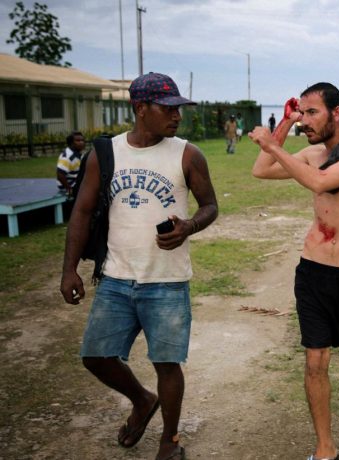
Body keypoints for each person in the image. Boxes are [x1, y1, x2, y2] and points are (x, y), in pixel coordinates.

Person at [59, 72, 218, 460]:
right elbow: (81, 212)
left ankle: (169, 441)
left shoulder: (187, 154)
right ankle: (142, 400)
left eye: (178, 109)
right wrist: (69, 269)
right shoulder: (107, 153)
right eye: (168, 108)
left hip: (166, 281)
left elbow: (210, 205)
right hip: (116, 277)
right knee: (95, 356)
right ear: (140, 108)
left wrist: (189, 226)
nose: (176, 116)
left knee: (167, 363)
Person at [251, 82, 339, 460]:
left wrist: (273, 144)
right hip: (312, 271)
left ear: (337, 112)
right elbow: (261, 170)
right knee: (315, 359)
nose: (304, 121)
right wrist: (282, 126)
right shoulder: (310, 153)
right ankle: (325, 449)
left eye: (312, 113)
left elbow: (321, 181)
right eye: (301, 113)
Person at [56, 131, 86, 196]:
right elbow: (60, 175)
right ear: (71, 143)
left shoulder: (79, 154)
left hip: (75, 182)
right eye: (78, 140)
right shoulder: (67, 157)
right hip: (69, 185)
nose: (81, 142)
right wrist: (69, 189)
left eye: (82, 140)